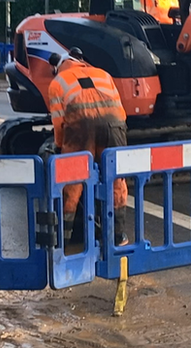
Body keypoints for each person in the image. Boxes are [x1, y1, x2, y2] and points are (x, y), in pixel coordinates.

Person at [47, 47, 130, 246]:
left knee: (72, 184)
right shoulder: (103, 74)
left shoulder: (58, 82)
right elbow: (121, 110)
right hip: (114, 126)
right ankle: (117, 236)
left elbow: (59, 123)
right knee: (116, 180)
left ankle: (63, 239)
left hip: (80, 130)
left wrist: (60, 148)